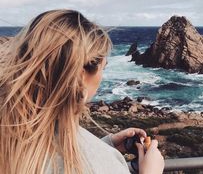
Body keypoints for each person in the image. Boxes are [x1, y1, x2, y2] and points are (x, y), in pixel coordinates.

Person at [0, 10, 164, 174]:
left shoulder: (10, 135)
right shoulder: (103, 165)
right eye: (103, 68)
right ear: (81, 77)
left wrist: (105, 144)